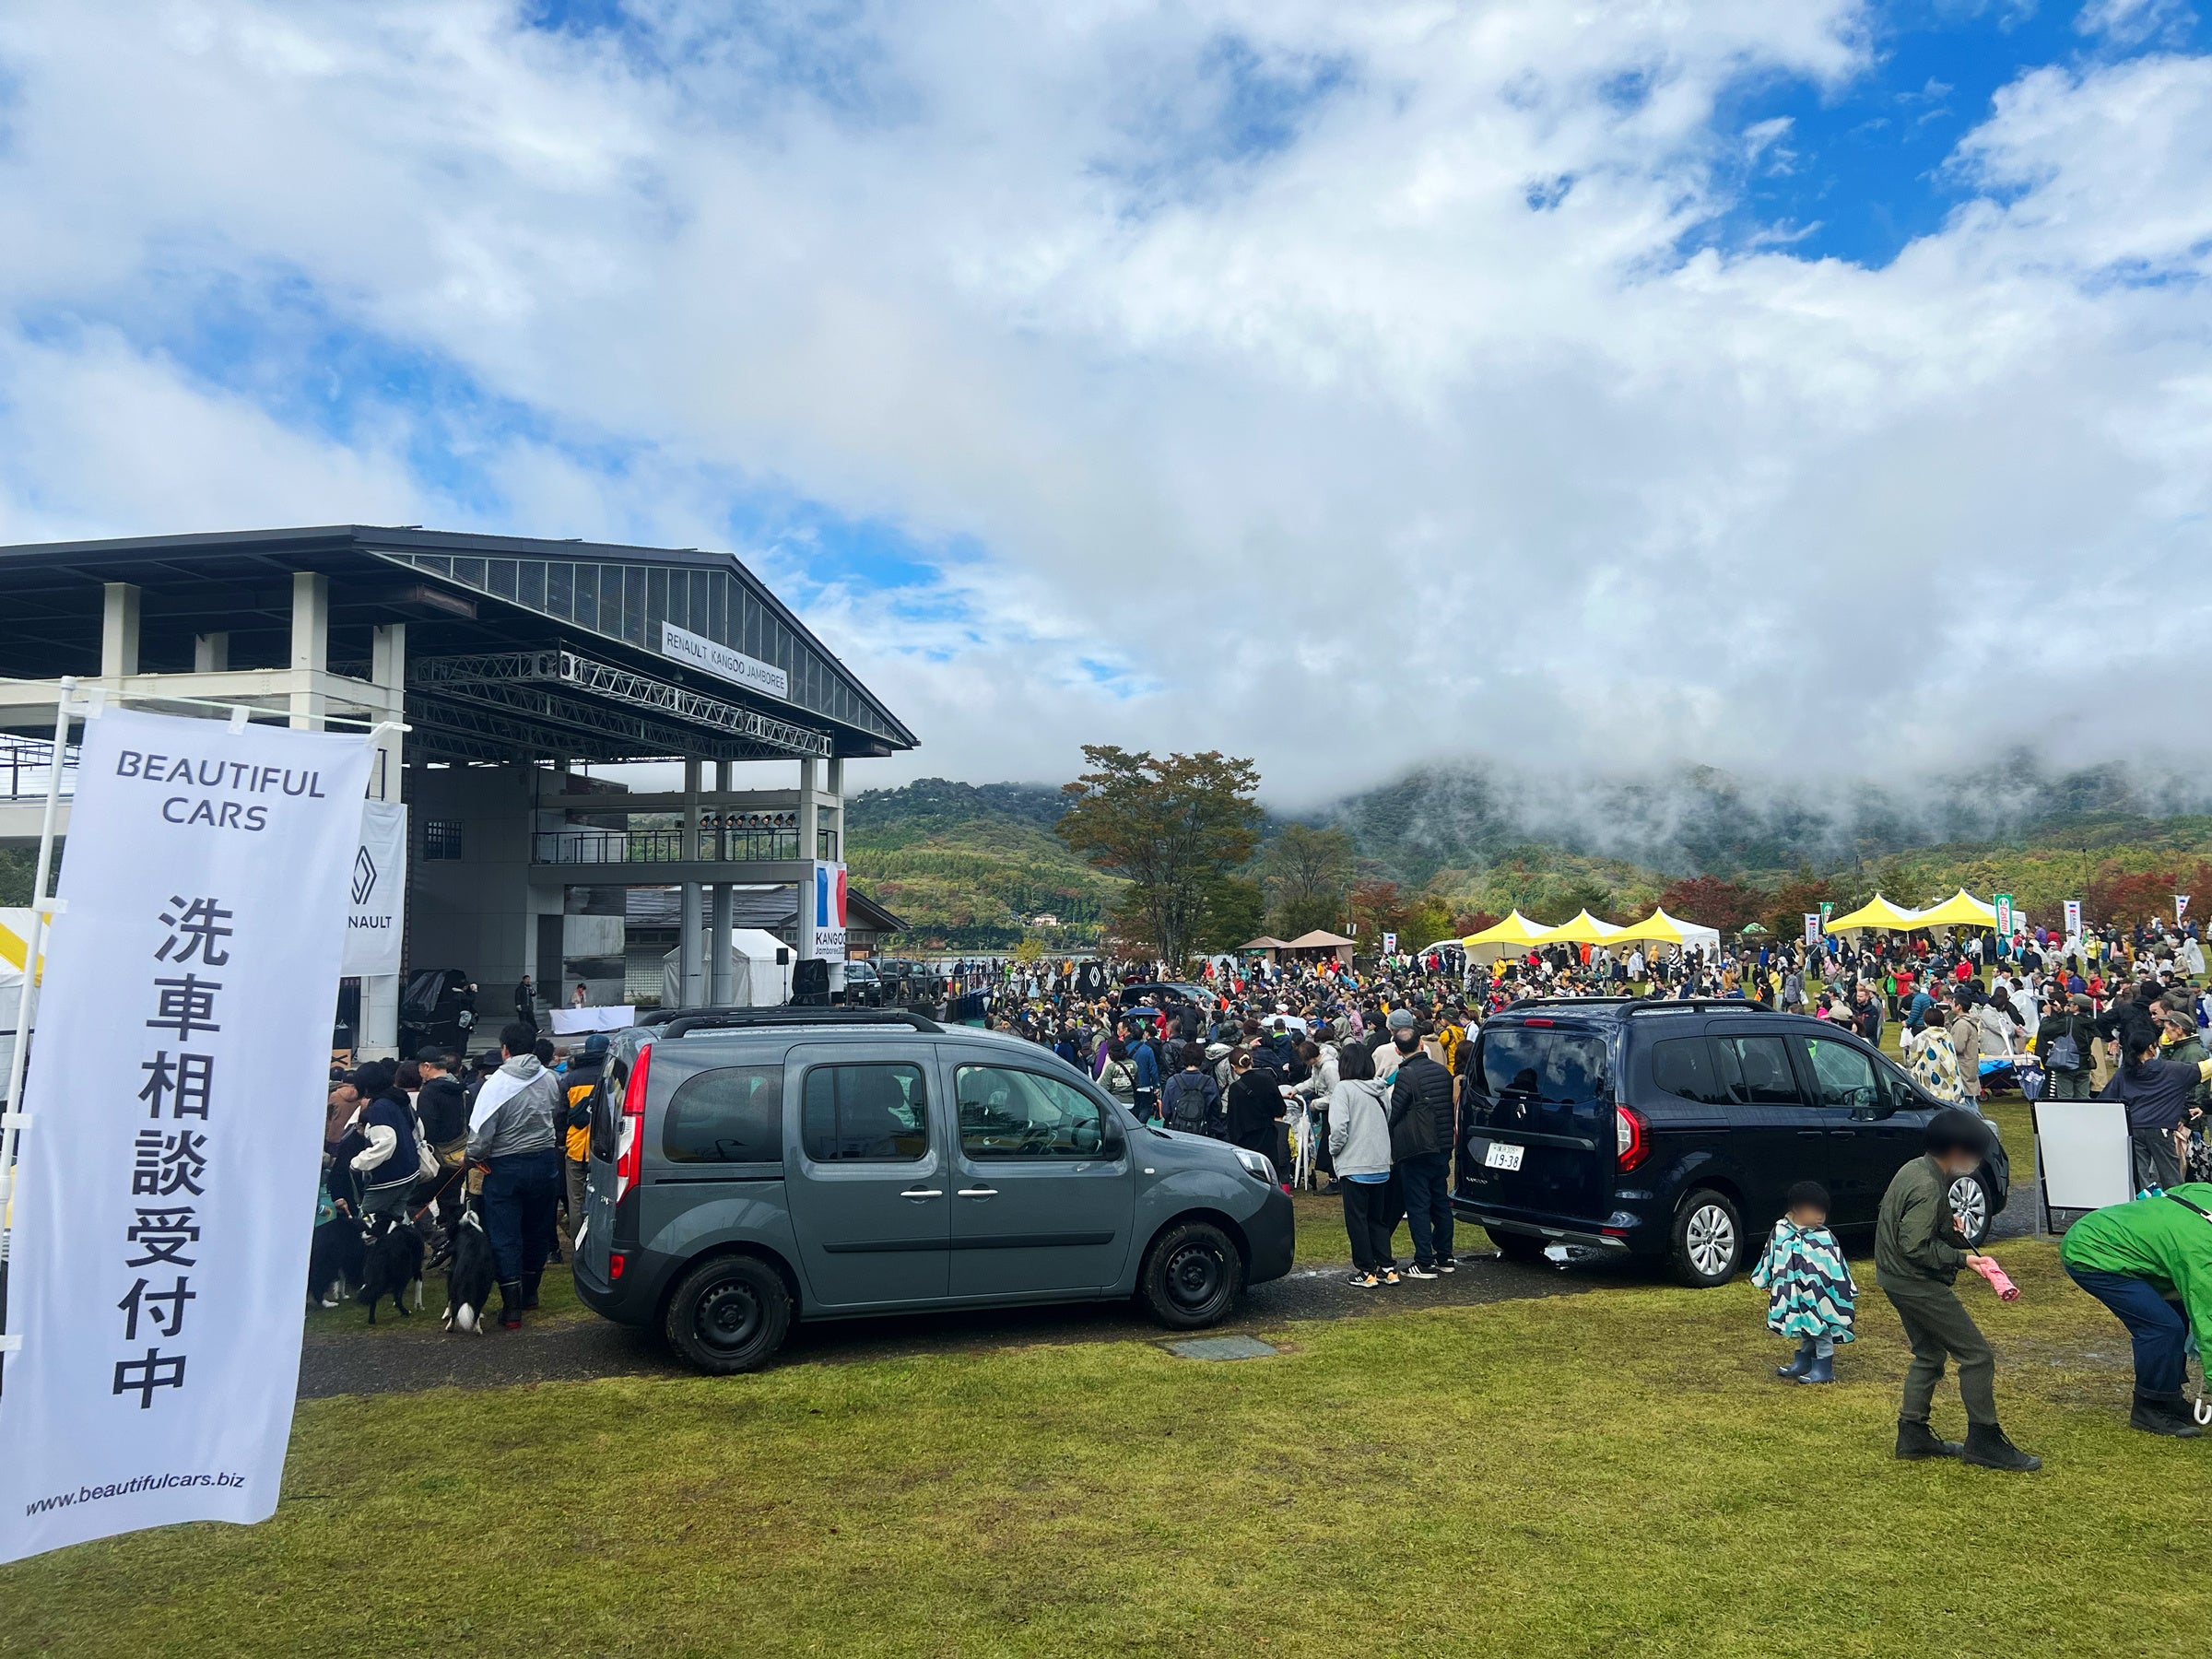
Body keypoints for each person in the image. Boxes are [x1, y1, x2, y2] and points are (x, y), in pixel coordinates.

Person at [1874, 1108, 2039, 1471]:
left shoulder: (1915, 1169)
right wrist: (1964, 1260)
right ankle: (1985, 1440)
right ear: (1957, 1151)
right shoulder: (1927, 1185)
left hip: (1893, 1278)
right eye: (1975, 1153)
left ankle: (1912, 1435)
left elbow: (1911, 1224)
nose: (1976, 1162)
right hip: (1914, 1282)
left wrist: (1949, 1225)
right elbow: (1914, 1246)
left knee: (1929, 1354)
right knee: (1977, 1356)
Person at [2059, 1184, 2212, 1437]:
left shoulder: (2206, 1193)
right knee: (2162, 1327)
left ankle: (2169, 1397)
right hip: (2091, 1251)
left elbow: (2185, 1189)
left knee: (2179, 1316)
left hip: (2120, 1238)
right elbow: (2209, 1326)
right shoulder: (2203, 1252)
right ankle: (2148, 1408)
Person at [467, 1019, 565, 1328]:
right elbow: (554, 1112)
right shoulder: (550, 1078)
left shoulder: (494, 1085)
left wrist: (473, 1158)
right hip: (545, 1162)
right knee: (538, 1229)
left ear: (505, 1050)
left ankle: (511, 1308)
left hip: (506, 1166)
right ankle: (530, 1295)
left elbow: (480, 1139)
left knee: (505, 1235)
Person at [1749, 1180, 1855, 1384]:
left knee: (1821, 1328)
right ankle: (1805, 1361)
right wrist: (1767, 1279)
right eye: (1814, 1210)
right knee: (1805, 1327)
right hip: (1794, 1293)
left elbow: (1838, 1265)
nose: (1820, 1216)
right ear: (1797, 1208)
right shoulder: (1781, 1231)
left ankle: (1824, 1367)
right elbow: (1771, 1255)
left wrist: (1844, 1291)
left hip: (1821, 1295)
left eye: (1822, 1211)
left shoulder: (1825, 1237)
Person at [2097, 1016, 2212, 1194]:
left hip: (2132, 1129)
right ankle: (2176, 1206)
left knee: (2140, 1180)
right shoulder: (2173, 1070)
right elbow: (2207, 1067)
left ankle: (2144, 1207)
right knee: (2171, 1177)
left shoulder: (2124, 1072)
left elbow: (2105, 1101)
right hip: (2161, 1129)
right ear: (2152, 1048)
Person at [1385, 1010, 1456, 1279]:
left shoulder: (1406, 1074)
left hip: (1417, 1147)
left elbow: (1396, 1111)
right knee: (1440, 1200)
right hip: (1442, 1144)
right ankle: (1445, 1255)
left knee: (1418, 1204)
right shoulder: (1442, 1072)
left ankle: (1424, 1260)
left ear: (1397, 1049)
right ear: (1422, 1044)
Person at [1328, 1040, 1399, 1288]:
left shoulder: (1343, 1089)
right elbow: (1387, 1117)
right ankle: (1387, 1267)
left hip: (1355, 1164)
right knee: (1377, 1219)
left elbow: (1339, 1128)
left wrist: (1333, 1149)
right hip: (1380, 1163)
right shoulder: (1379, 1089)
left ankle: (1366, 1270)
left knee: (1357, 1220)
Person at [345, 1059, 423, 1222]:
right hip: (411, 1171)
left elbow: (386, 1143)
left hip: (389, 1177)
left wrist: (358, 1162)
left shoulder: (379, 1107)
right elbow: (419, 1129)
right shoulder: (400, 1098)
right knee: (394, 1223)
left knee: (368, 1222)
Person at [560, 1032, 609, 1245]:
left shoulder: (571, 1079)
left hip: (576, 1147)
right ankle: (601, 1245)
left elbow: (560, 1114)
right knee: (605, 1200)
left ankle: (579, 1248)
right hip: (606, 1149)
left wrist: (561, 1141)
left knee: (576, 1201)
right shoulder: (615, 1074)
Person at [2035, 992, 2096, 1100]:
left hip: (2068, 1063)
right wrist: (2061, 1013)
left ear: (2076, 1007)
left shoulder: (2069, 1021)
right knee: (2083, 1097)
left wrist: (2049, 1016)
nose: (2068, 1006)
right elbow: (2071, 1024)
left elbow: (2046, 1031)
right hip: (2085, 1063)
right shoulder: (2090, 1021)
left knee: (2065, 1097)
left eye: (2071, 1004)